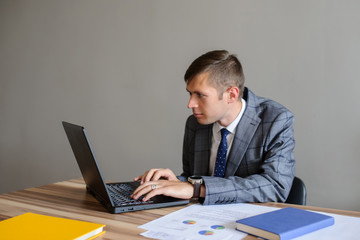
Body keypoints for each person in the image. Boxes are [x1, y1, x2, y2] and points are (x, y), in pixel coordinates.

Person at [131, 50, 295, 205]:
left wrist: (197, 189)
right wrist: (174, 182)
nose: (190, 104)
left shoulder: (276, 120)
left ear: (231, 94)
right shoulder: (194, 124)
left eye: (200, 95)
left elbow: (276, 186)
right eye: (190, 93)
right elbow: (192, 178)